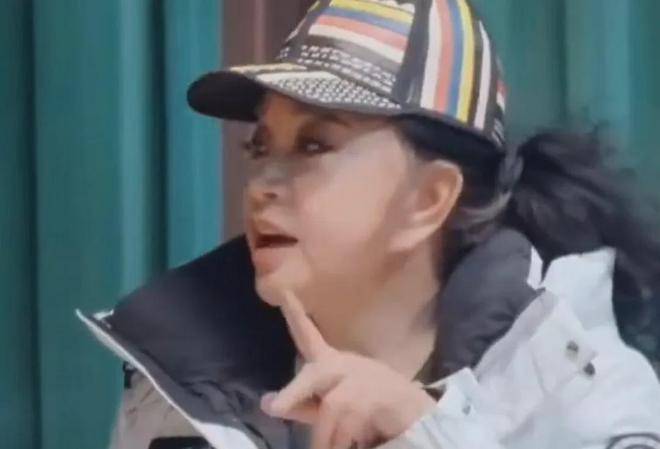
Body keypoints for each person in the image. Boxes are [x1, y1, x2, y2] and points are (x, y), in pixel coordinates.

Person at [78, 0, 660, 448]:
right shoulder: (179, 393)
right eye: (259, 147)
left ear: (428, 200)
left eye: (313, 144)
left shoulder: (580, 396)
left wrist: (429, 436)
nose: (261, 185)